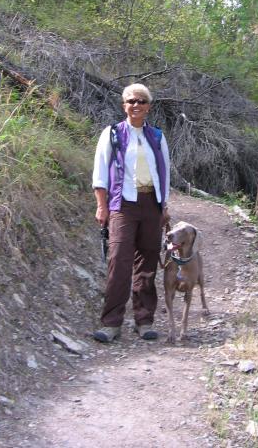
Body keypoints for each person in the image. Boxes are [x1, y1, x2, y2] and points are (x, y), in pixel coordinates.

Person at [92, 83, 170, 343]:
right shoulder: (112, 134)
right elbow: (100, 173)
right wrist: (102, 206)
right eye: (131, 101)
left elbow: (164, 173)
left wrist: (164, 207)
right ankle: (111, 323)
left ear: (148, 106)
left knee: (147, 263)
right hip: (122, 205)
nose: (136, 105)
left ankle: (144, 319)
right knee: (119, 261)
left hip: (152, 204)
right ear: (124, 105)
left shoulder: (157, 137)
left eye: (141, 101)